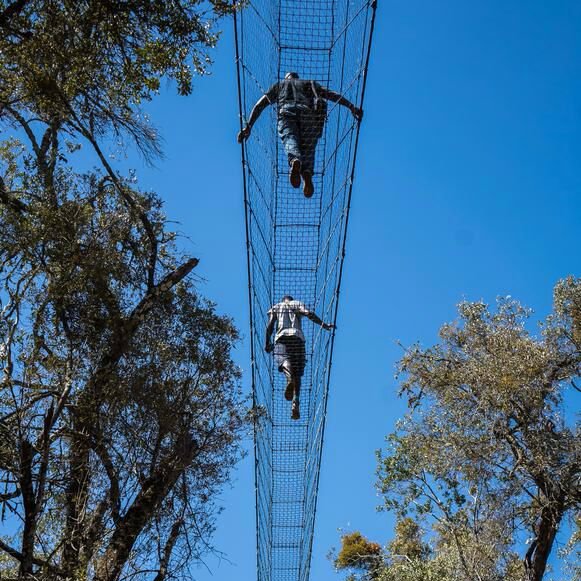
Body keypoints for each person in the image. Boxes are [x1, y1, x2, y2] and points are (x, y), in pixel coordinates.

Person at [237, 72, 363, 198]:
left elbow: (260, 105)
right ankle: (307, 173)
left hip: (286, 112)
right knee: (309, 147)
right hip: (307, 114)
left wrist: (249, 126)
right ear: (297, 78)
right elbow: (331, 95)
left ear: (286, 78)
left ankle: (295, 160)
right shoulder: (308, 83)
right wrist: (351, 106)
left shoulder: (280, 85)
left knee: (290, 138)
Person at [265, 295, 334, 420]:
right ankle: (295, 401)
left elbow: (270, 325)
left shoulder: (277, 307)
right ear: (291, 299)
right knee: (297, 372)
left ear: (283, 300)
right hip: (298, 338)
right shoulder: (297, 303)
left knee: (283, 360)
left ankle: (289, 379)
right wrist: (324, 325)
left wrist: (267, 343)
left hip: (281, 337)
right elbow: (308, 313)